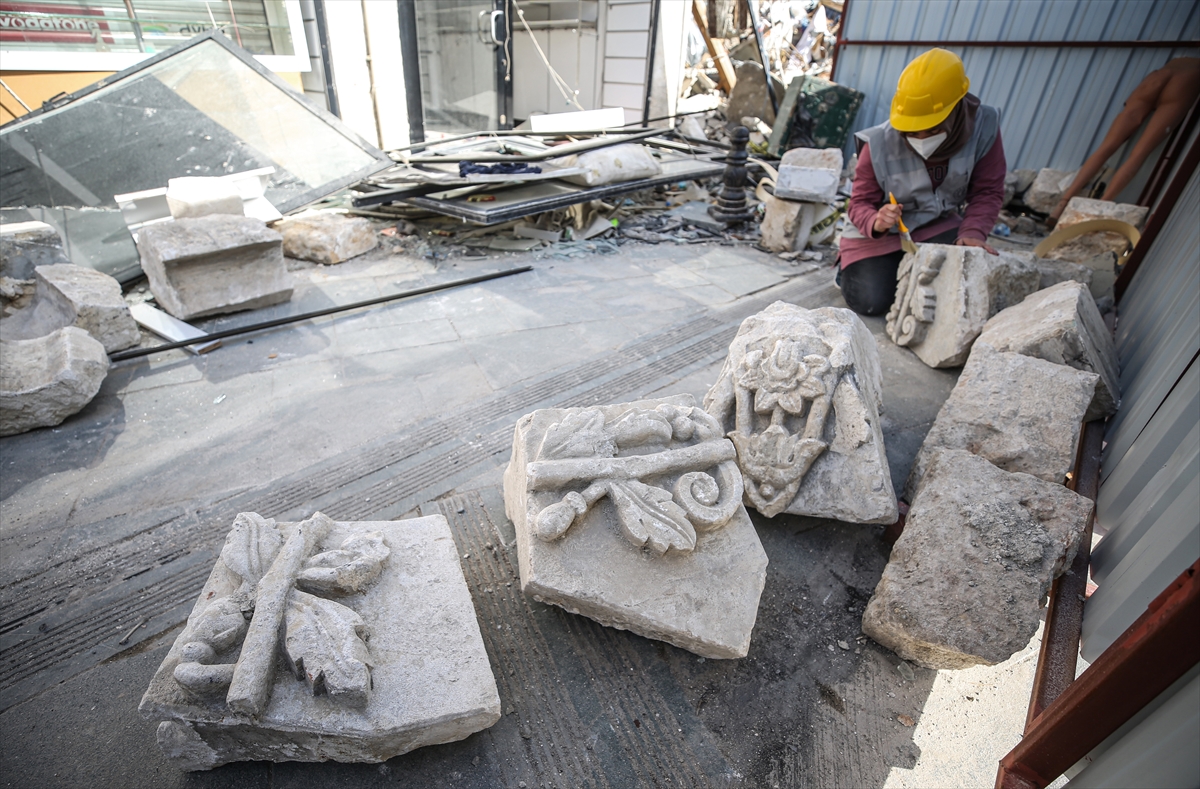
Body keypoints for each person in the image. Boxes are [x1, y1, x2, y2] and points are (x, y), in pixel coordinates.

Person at [837, 48, 1006, 316]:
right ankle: (852, 270)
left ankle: (907, 265)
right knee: (869, 300)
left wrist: (972, 232)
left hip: (935, 226)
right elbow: (859, 203)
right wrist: (877, 221)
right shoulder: (879, 143)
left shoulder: (983, 129)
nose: (922, 137)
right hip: (880, 236)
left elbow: (988, 190)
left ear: (957, 108)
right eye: (913, 131)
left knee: (961, 282)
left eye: (935, 127)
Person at [1048, 57, 1200, 224]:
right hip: (1186, 83)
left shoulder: (1181, 59)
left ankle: (1060, 207)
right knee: (1139, 154)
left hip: (1158, 76)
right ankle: (1100, 207)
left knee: (1106, 147)